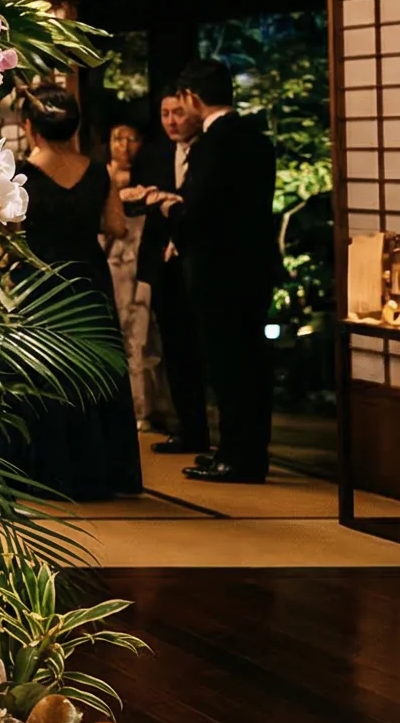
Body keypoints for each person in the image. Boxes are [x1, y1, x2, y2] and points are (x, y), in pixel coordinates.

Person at [0, 88, 142, 500]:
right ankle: (99, 472)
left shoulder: (20, 174)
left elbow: (8, 230)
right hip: (88, 278)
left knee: (41, 369)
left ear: (29, 128)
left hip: (38, 279)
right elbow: (116, 226)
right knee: (93, 370)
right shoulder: (100, 172)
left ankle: (42, 472)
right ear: (74, 126)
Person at [143, 59, 281, 483]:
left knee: (229, 367)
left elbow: (198, 210)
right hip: (253, 267)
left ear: (194, 98)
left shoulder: (214, 143)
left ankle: (237, 457)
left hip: (220, 272)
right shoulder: (256, 139)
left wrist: (169, 207)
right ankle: (245, 450)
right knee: (250, 365)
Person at [121, 93, 205, 451]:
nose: (171, 121)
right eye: (165, 113)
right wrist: (141, 197)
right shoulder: (154, 153)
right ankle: (187, 429)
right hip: (162, 261)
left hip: (200, 260)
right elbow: (132, 207)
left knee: (205, 348)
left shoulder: (209, 151)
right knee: (173, 347)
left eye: (178, 113)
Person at [104, 121, 158, 428]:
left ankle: (146, 406)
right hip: (113, 252)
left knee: (142, 325)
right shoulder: (103, 175)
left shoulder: (148, 177)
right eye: (117, 138)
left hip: (140, 250)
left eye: (131, 139)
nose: (124, 146)